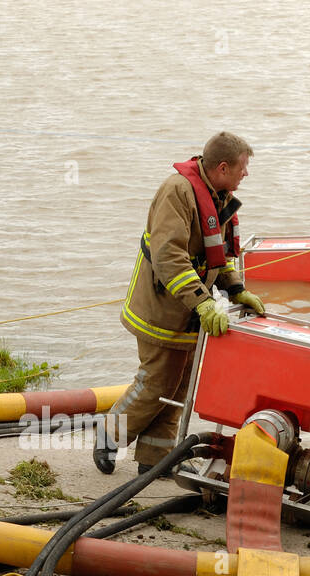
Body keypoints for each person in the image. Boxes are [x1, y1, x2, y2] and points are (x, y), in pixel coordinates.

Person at [95, 131, 265, 475]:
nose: (246, 174)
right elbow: (169, 257)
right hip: (162, 309)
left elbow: (218, 255)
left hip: (189, 311)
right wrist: (204, 303)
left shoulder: (217, 195)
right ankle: (109, 435)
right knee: (156, 382)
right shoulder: (177, 192)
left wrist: (235, 289)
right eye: (243, 168)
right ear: (222, 167)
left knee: (180, 386)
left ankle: (153, 461)